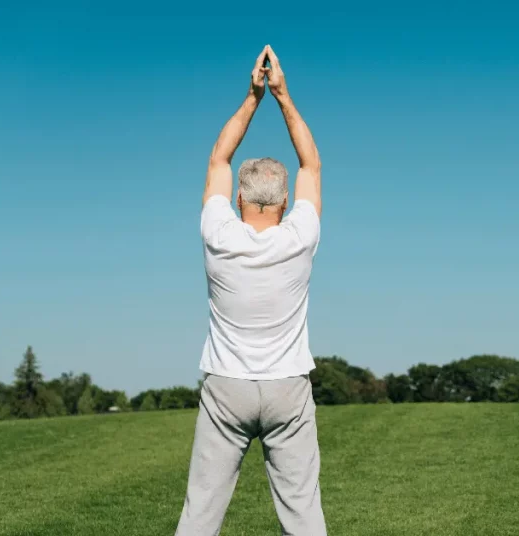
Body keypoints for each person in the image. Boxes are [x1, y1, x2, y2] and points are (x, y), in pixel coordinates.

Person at [175, 45, 327, 536]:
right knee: (302, 512)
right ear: (285, 202)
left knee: (201, 512)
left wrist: (251, 97)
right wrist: (283, 96)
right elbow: (311, 165)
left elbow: (220, 156)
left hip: (227, 387)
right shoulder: (300, 235)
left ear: (238, 199)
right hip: (288, 387)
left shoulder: (219, 233)